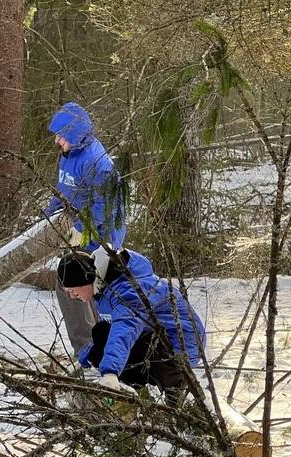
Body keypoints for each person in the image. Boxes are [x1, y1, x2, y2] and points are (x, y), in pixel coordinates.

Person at [56, 248, 205, 405]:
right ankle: (133, 390)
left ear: (84, 280)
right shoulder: (106, 288)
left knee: (126, 340)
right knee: (101, 333)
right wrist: (85, 359)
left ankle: (177, 393)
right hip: (154, 339)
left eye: (72, 290)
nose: (72, 296)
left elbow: (125, 330)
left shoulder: (129, 291)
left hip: (181, 346)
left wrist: (110, 372)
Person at [43, 102, 126, 252]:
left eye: (60, 136)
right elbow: (65, 186)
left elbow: (105, 204)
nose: (56, 141)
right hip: (81, 223)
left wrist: (81, 229)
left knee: (92, 272)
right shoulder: (69, 153)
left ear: (73, 135)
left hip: (101, 233)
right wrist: (50, 211)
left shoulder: (95, 161)